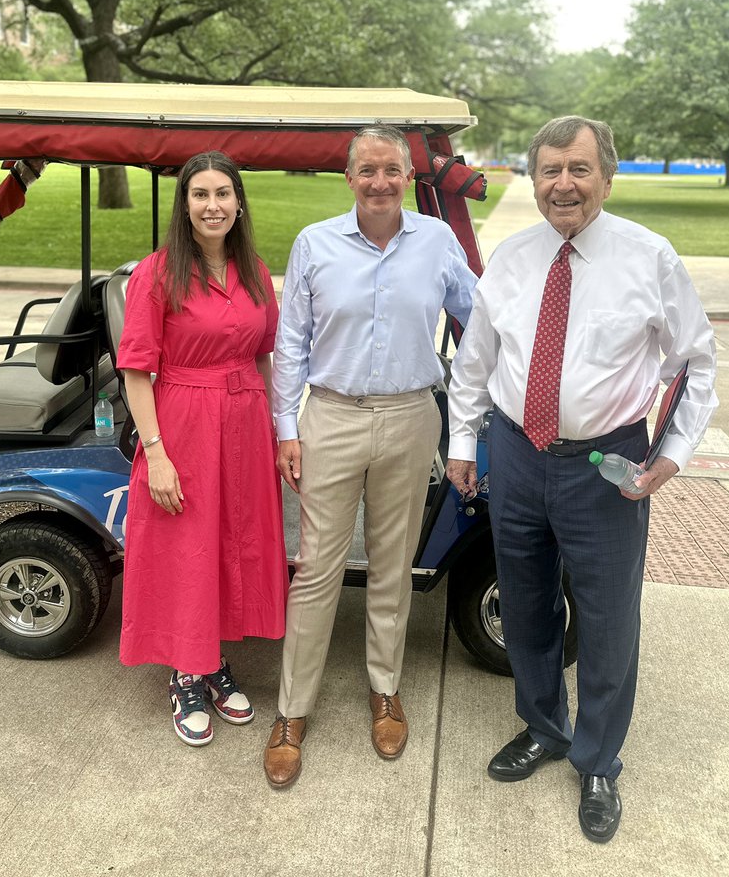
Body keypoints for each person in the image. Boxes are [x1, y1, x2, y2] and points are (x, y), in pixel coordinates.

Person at [445, 116, 718, 843]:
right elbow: (476, 359)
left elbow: (697, 361)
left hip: (606, 468)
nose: (562, 183)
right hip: (517, 454)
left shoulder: (648, 257)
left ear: (606, 176)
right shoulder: (510, 258)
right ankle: (542, 728)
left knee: (606, 620)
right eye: (549, 170)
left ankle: (597, 758)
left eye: (579, 169)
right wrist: (463, 441)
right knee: (528, 606)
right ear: (532, 179)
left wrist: (672, 455)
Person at [263, 125, 476, 788]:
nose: (380, 181)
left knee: (392, 564)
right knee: (319, 568)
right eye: (368, 170)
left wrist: (470, 391)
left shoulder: (436, 242)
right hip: (332, 416)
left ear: (408, 177)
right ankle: (292, 710)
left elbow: (484, 320)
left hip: (412, 416)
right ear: (348, 177)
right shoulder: (315, 244)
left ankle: (385, 689)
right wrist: (285, 426)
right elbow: (291, 338)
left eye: (392, 170)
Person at [117, 151, 288, 746]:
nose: (212, 205)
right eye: (200, 195)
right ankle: (186, 674)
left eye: (222, 194)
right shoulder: (158, 274)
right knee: (187, 545)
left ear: (239, 202)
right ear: (184, 204)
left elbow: (264, 353)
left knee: (228, 543)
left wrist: (275, 429)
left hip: (244, 419)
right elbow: (137, 371)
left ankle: (212, 659)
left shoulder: (254, 271)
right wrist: (156, 453)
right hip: (184, 421)